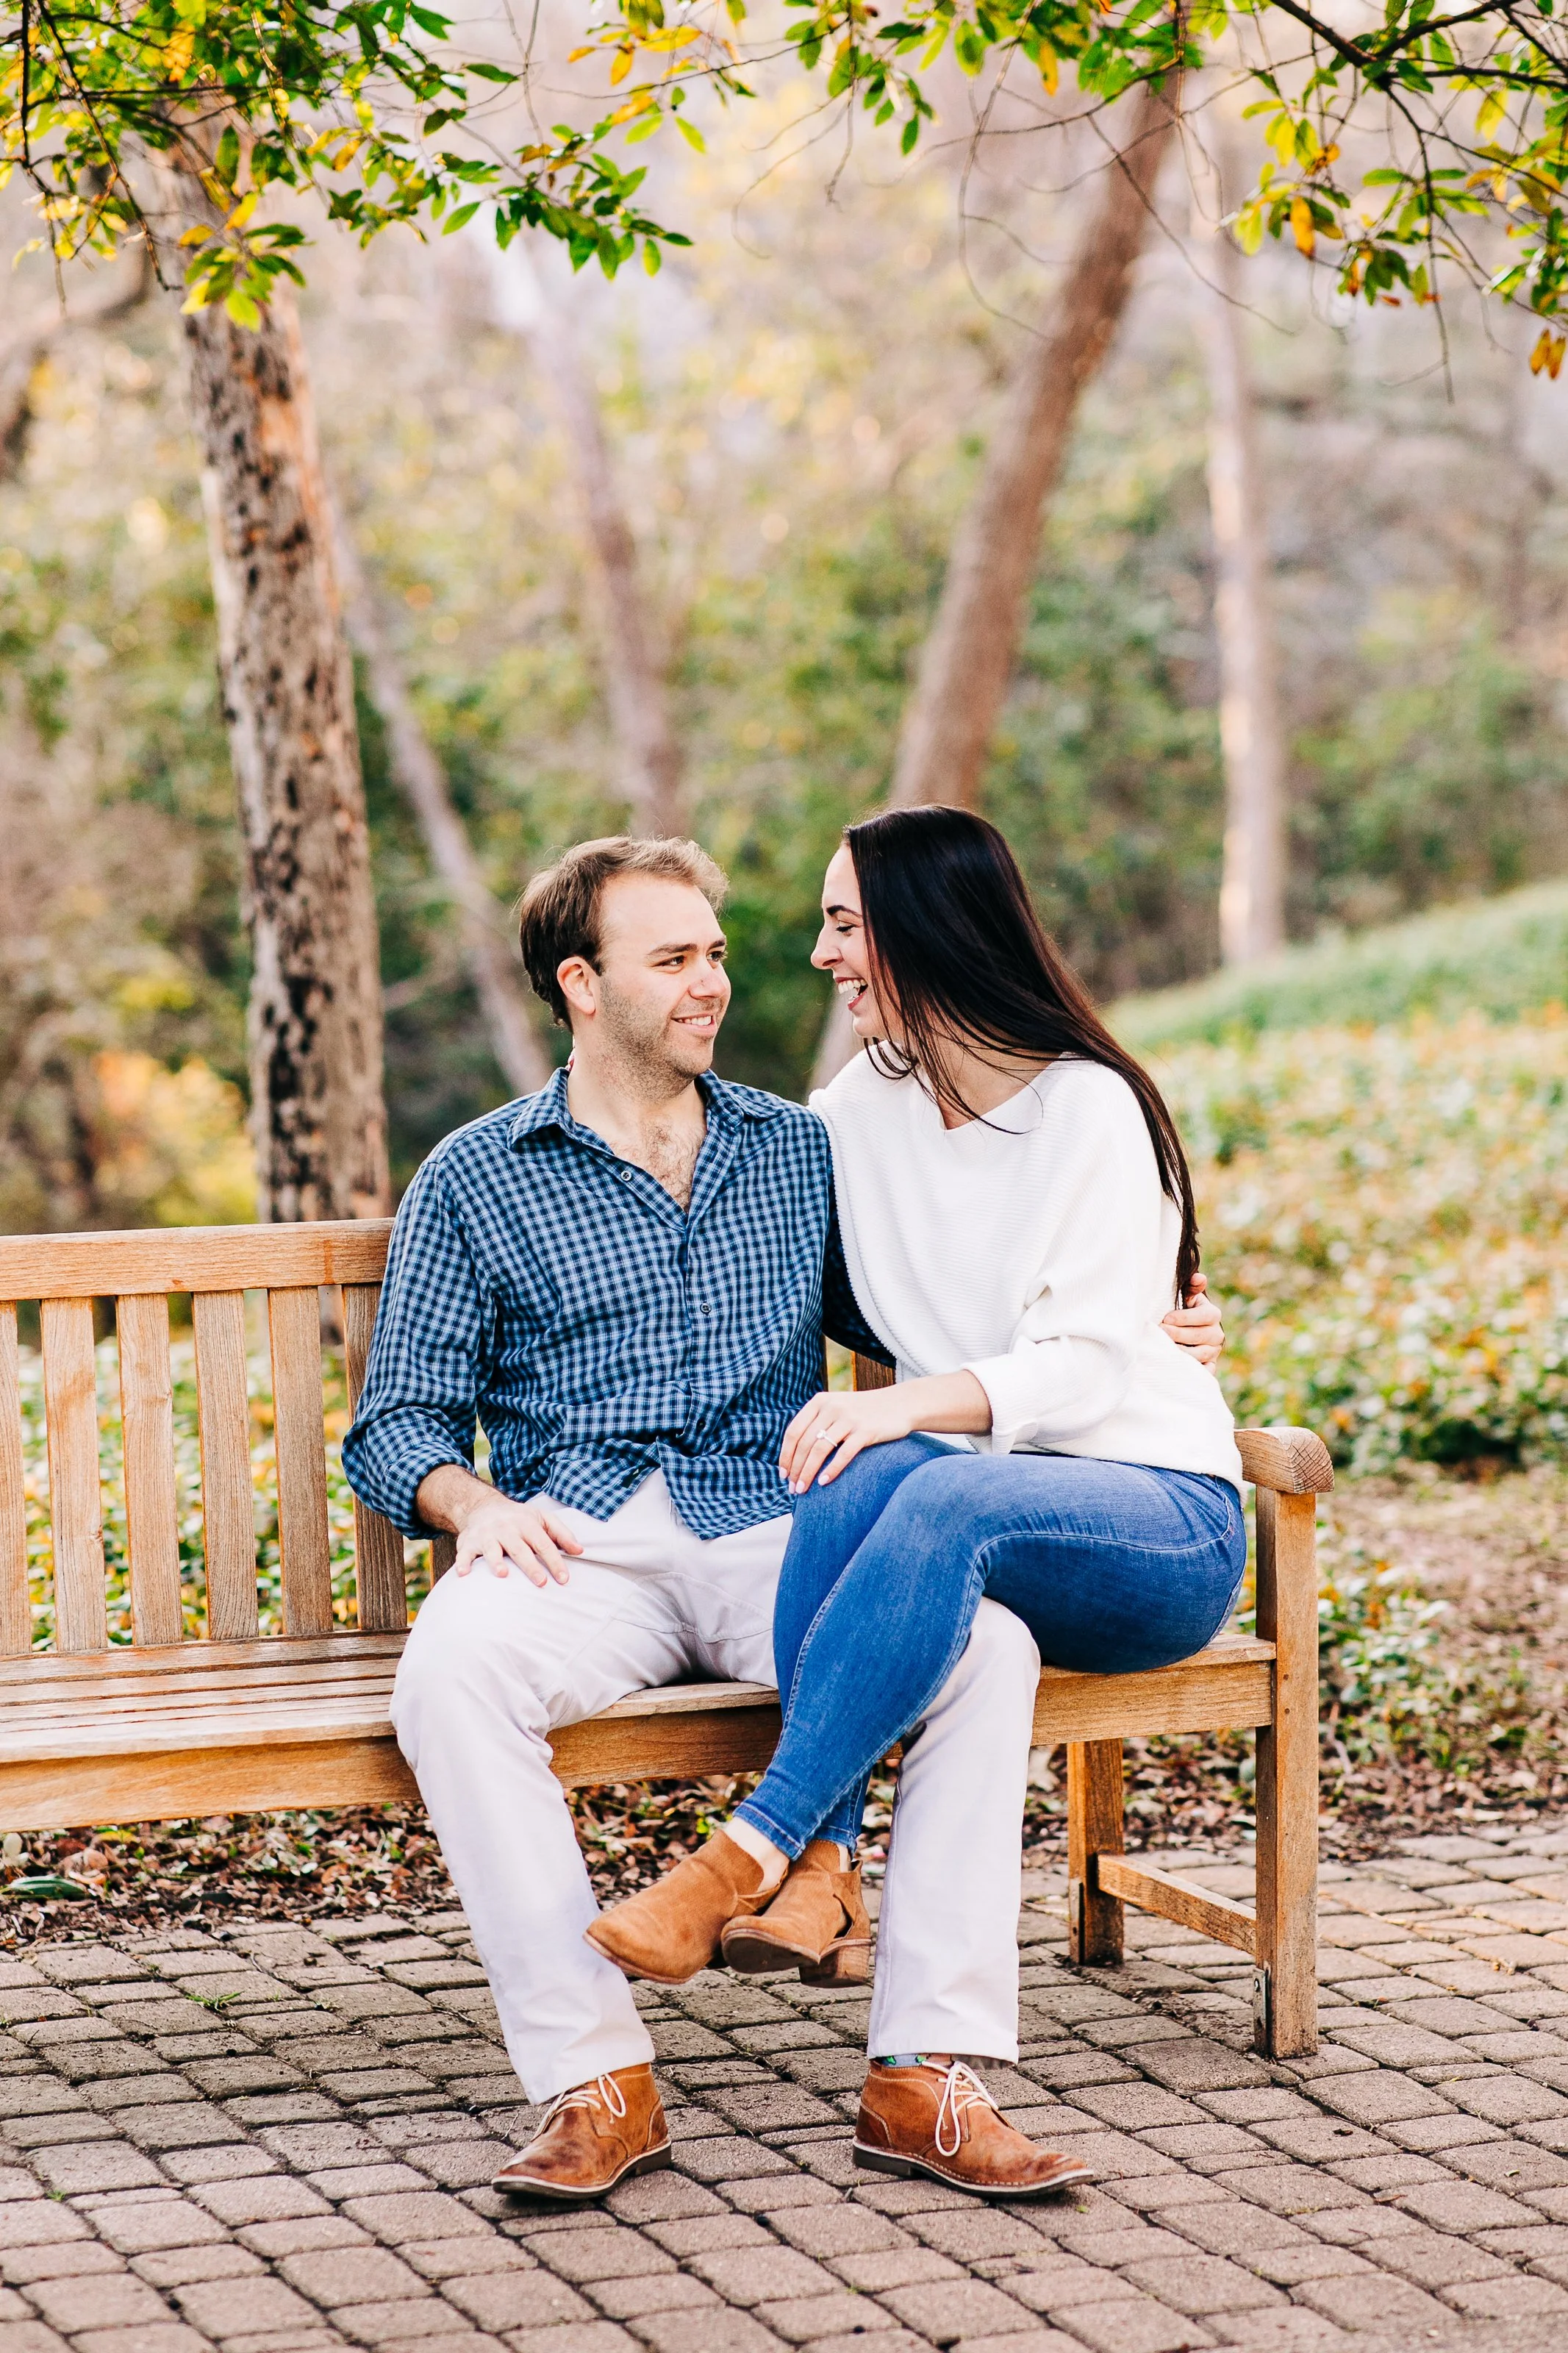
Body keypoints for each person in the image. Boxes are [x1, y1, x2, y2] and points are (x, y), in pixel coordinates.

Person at [343, 830, 1222, 2206]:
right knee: (449, 1677)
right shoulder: (476, 1174)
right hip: (578, 1539)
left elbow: (954, 1305)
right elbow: (395, 1422)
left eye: (716, 954)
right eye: (675, 959)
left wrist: (1159, 1330)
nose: (715, 984)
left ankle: (923, 2076)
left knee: (982, 1647)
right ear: (582, 983)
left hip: (776, 1524)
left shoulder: (796, 1149)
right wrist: (470, 1504)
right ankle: (598, 2083)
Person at [588, 807, 1247, 2193]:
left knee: (917, 1478)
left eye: (844, 923)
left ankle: (748, 1853)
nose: (819, 952)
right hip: (977, 1505)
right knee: (861, 1464)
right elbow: (760, 1270)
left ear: (924, 931)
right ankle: (825, 1878)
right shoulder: (855, 1116)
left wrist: (925, 1392)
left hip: (1157, 1523)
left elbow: (1079, 1363)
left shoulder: (1087, 1107)